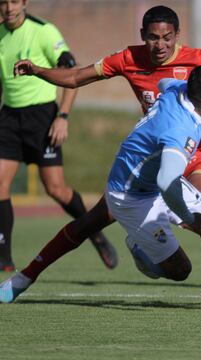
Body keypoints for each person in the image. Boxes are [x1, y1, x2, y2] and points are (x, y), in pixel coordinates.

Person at [11, 5, 201, 305]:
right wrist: (189, 216)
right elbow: (167, 178)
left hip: (192, 156)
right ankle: (24, 278)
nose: (160, 45)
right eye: (153, 38)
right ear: (142, 34)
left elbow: (193, 83)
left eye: (167, 37)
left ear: (177, 35)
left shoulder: (184, 77)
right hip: (149, 173)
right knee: (172, 259)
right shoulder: (162, 104)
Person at [0, 0, 117, 272]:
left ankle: (94, 232)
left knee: (55, 188)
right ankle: (4, 257)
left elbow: (71, 72)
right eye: (3, 2)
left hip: (42, 117)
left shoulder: (44, 31)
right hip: (9, 117)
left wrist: (62, 117)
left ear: (25, 3)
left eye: (14, 2)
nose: (8, 8)